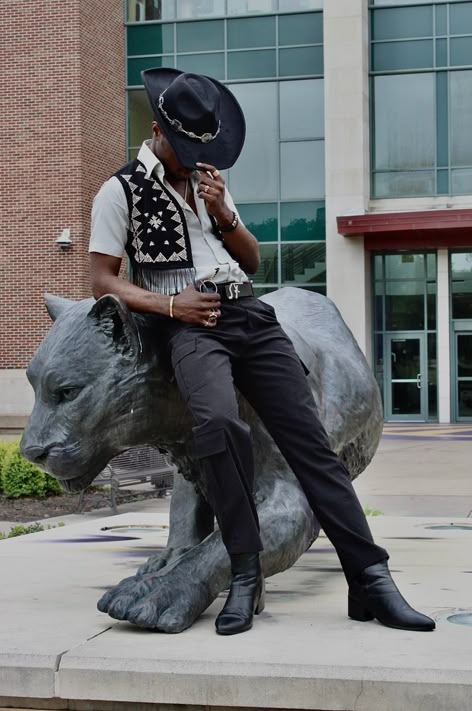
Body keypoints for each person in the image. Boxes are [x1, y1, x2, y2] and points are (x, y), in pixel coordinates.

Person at [89, 68, 435, 636]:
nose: (195, 158)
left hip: (248, 313)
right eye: (185, 147)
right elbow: (104, 279)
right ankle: (244, 572)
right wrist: (172, 308)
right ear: (156, 131)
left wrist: (223, 213)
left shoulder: (209, 181)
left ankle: (371, 580)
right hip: (191, 325)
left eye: (202, 147)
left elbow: (250, 262)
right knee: (220, 428)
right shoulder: (119, 190)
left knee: (309, 441)